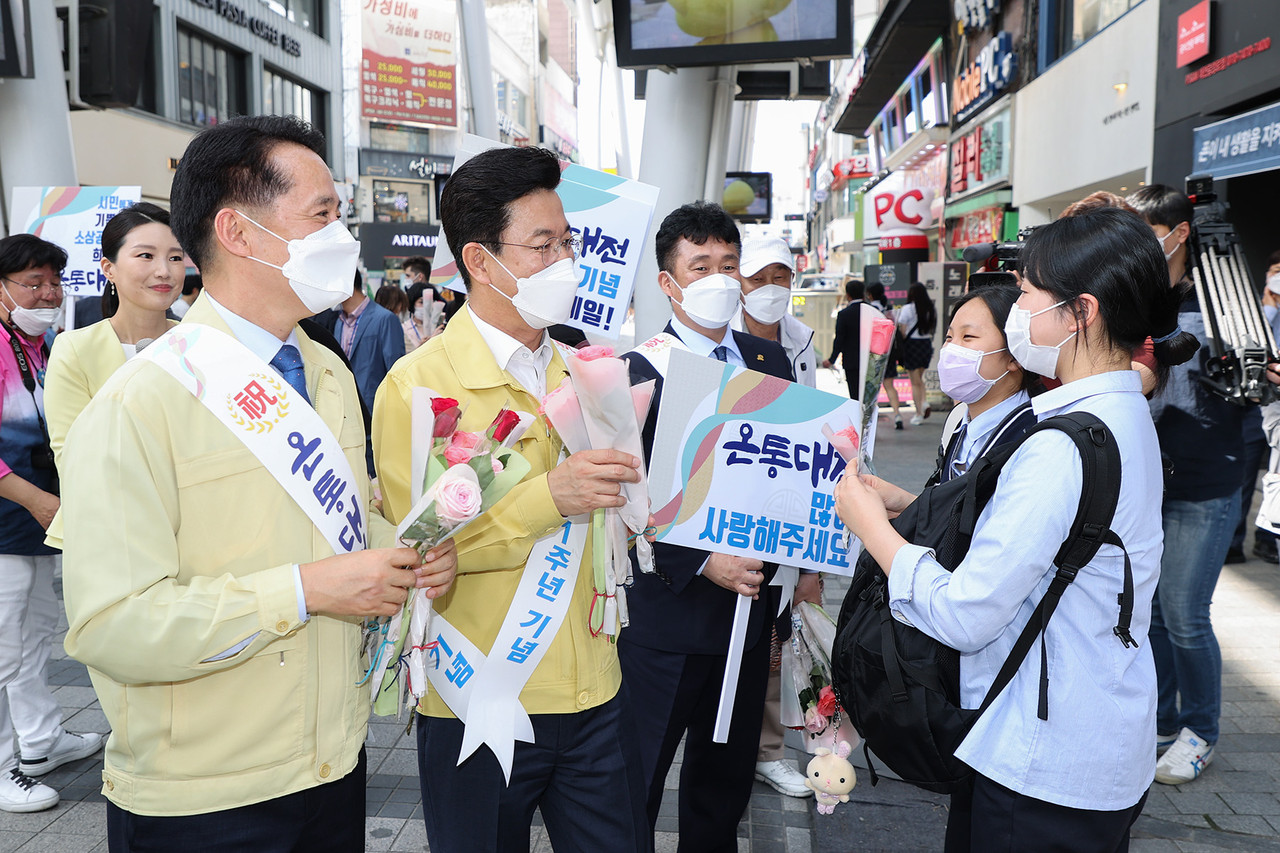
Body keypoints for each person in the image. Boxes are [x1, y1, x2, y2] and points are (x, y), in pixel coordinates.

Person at [56, 115, 457, 852]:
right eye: (323, 214)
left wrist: (402, 556)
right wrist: (307, 590)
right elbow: (110, 623)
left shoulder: (327, 371)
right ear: (238, 233)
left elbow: (333, 524)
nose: (342, 235)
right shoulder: (137, 403)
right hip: (205, 796)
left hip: (334, 764)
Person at [835, 207, 1186, 851]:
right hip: (1090, 739)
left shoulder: (1059, 444)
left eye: (1026, 295)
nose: (1017, 309)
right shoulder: (1120, 414)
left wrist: (872, 529)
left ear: (1081, 311)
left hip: (1040, 760)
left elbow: (965, 614)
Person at [371, 145, 649, 853]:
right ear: (480, 261)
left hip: (595, 692)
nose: (564, 260)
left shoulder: (588, 368)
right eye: (541, 245)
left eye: (567, 242)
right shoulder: (418, 386)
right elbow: (424, 551)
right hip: (480, 700)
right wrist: (548, 497)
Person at [621, 201, 793, 852]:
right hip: (666, 624)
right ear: (668, 282)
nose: (720, 279)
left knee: (722, 792)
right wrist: (699, 560)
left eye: (729, 265)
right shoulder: (637, 371)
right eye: (701, 267)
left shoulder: (766, 360)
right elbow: (625, 498)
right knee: (634, 783)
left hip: (748, 622)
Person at [1129, 183, 1244, 785]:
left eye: (1151, 232)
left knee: (1184, 611)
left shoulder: (1225, 301)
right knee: (1150, 611)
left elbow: (1250, 379)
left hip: (1209, 477)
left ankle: (1201, 730)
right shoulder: (1141, 299)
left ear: (1178, 232)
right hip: (1154, 479)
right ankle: (1164, 719)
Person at [0, 234, 103, 813]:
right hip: (10, 515)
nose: (47, 293)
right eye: (31, 284)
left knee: (35, 632)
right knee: (2, 644)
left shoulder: (40, 344)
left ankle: (39, 741)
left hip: (39, 517)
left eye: (53, 282)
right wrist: (34, 499)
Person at [732, 236, 819, 798]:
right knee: (730, 635)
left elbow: (812, 433)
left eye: (780, 277)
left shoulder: (802, 343)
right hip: (730, 507)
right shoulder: (720, 339)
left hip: (783, 507)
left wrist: (813, 557)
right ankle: (722, 748)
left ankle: (766, 751)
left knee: (777, 639)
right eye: (757, 276)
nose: (770, 289)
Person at [44, 202, 183, 467]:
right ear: (109, 269)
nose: (164, 271)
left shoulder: (201, 343)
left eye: (175, 257)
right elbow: (73, 460)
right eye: (146, 255)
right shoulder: (75, 350)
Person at [931, 283, 1038, 485]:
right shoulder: (957, 421)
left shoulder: (1035, 436)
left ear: (1015, 354)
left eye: (968, 336)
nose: (951, 349)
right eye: (949, 337)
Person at [322, 271, 405, 412]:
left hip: (373, 408)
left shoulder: (385, 319)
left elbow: (395, 368)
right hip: (344, 407)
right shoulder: (338, 321)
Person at [897, 282, 937, 425]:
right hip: (925, 344)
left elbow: (902, 330)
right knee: (919, 378)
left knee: (914, 382)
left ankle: (918, 413)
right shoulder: (930, 308)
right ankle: (924, 402)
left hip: (912, 345)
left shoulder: (907, 308)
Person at [821, 278, 866, 403]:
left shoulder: (844, 314)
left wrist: (831, 360)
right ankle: (870, 420)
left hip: (852, 361)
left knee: (855, 396)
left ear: (848, 295)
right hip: (870, 360)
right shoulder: (871, 311)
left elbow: (839, 340)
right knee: (869, 396)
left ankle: (859, 420)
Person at [866, 282, 902, 428]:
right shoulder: (889, 310)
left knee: (870, 389)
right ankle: (897, 415)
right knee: (889, 386)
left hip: (873, 355)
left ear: (869, 294)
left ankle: (868, 422)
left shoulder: (869, 310)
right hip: (888, 353)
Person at [402, 280, 441, 353]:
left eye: (431, 302)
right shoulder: (405, 329)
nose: (427, 306)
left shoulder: (439, 328)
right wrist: (421, 346)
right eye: (421, 302)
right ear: (412, 303)